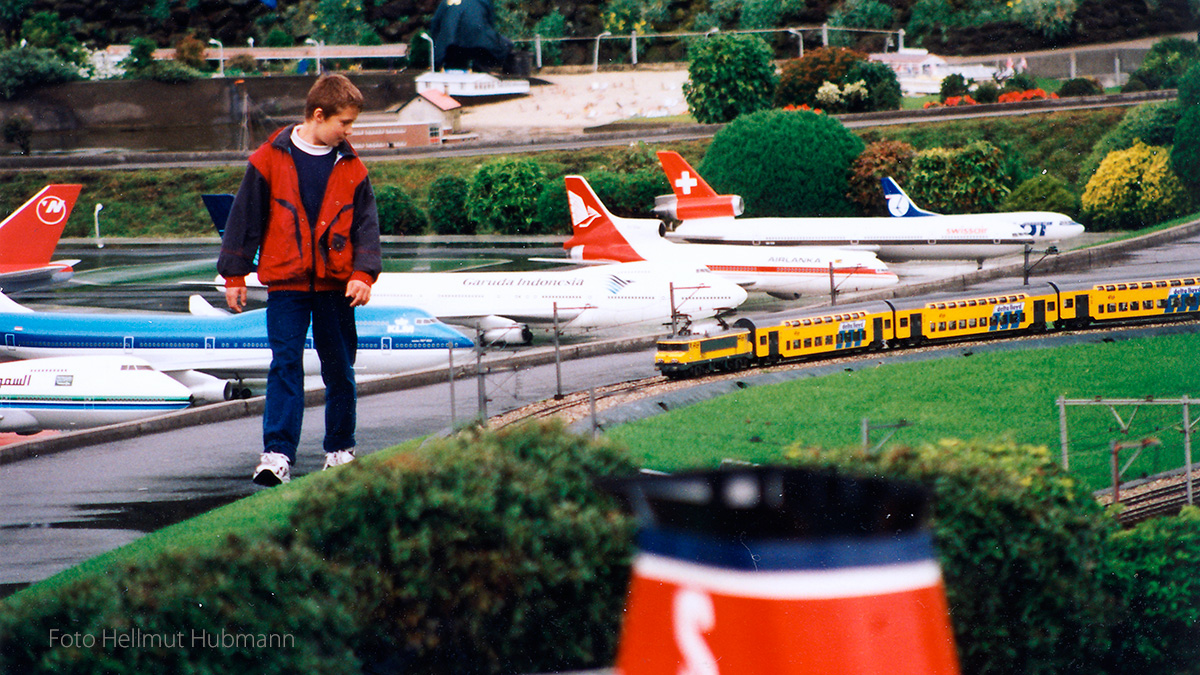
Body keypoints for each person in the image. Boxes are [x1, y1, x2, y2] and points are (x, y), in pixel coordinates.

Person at [218, 73, 382, 486]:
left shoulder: (352, 165)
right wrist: (234, 274)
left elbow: (366, 226)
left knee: (340, 369)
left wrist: (364, 274)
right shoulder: (267, 159)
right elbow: (244, 218)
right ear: (319, 114)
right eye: (344, 123)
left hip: (336, 286)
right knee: (285, 365)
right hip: (286, 286)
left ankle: (341, 450)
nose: (349, 132)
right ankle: (276, 456)